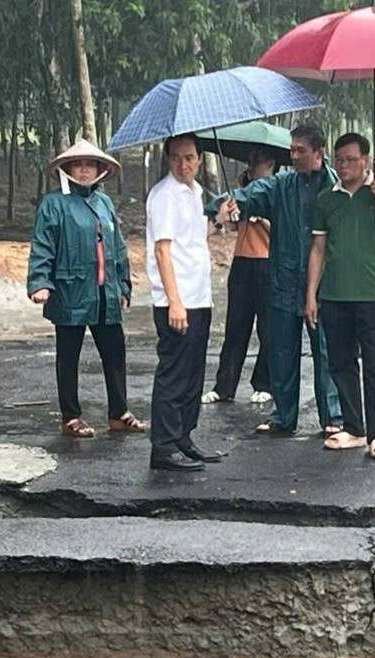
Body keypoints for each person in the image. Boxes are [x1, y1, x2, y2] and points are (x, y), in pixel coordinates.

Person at [211, 123, 342, 436]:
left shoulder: (336, 188)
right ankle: (284, 416)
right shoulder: (282, 185)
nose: (293, 156)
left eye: (300, 151)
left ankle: (333, 418)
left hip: (324, 284)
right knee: (282, 350)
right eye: (291, 150)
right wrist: (228, 201)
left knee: (327, 352)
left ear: (319, 153)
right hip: (283, 279)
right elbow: (252, 193)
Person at [26, 139, 146, 438]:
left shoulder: (103, 203)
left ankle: (119, 412)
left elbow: (117, 247)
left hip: (105, 294)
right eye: (78, 165)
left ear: (99, 169)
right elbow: (43, 245)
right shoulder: (53, 204)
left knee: (115, 352)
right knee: (69, 356)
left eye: (89, 164)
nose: (84, 170)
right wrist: (40, 282)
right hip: (70, 289)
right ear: (67, 169)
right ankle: (70, 416)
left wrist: (124, 284)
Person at [305, 133, 375, 460]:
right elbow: (318, 249)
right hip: (335, 294)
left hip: (374, 293)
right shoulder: (326, 199)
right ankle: (354, 426)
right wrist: (311, 295)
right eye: (339, 160)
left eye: (350, 159)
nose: (344, 165)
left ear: (366, 160)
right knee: (341, 362)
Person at [146, 134, 223, 471]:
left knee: (193, 374)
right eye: (176, 158)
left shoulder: (195, 192)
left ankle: (183, 436)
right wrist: (174, 302)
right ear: (167, 159)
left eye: (190, 157)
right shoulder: (164, 195)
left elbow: (193, 236)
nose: (184, 164)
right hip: (175, 300)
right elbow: (162, 250)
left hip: (198, 294)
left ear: (199, 158)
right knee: (174, 373)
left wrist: (220, 219)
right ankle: (162, 446)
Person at [201, 147, 276, 406]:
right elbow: (231, 224)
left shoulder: (278, 191)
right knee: (236, 327)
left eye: (260, 160)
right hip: (243, 263)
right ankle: (224, 386)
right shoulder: (241, 193)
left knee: (268, 329)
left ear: (272, 163)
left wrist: (263, 219)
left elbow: (284, 231)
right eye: (252, 160)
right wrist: (233, 215)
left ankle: (264, 383)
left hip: (268, 263)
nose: (255, 164)